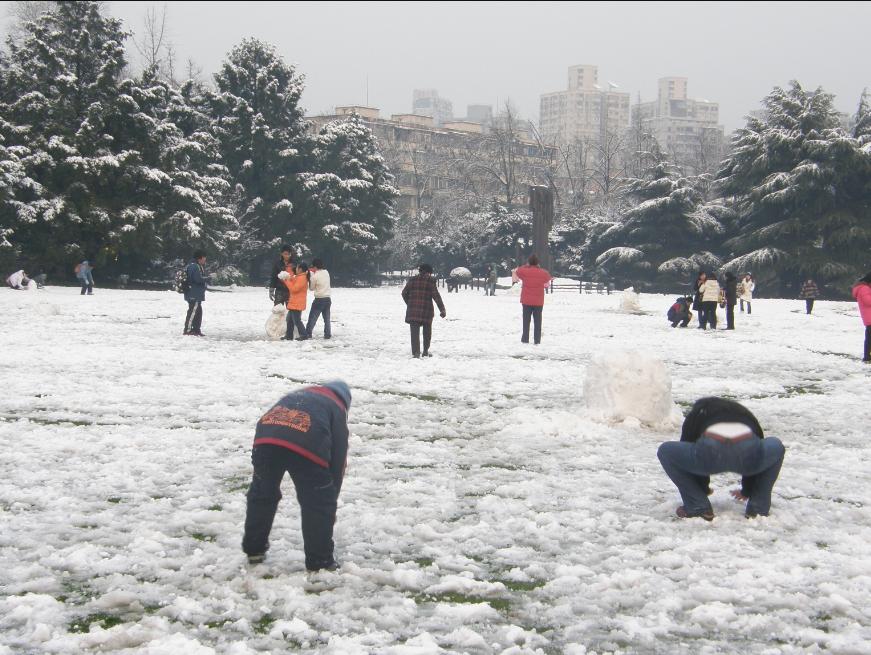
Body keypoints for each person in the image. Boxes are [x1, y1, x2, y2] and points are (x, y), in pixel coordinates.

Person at [242, 381, 351, 571]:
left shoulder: (295, 396)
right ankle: (320, 561)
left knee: (262, 493)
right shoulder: (337, 407)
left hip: (266, 439)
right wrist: (330, 497)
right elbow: (338, 460)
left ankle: (254, 549)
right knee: (317, 501)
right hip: (306, 442)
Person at [657, 397, 785, 520]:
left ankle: (698, 506)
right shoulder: (743, 412)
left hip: (712, 450)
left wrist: (702, 489)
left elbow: (690, 449)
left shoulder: (698, 413)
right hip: (747, 450)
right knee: (775, 445)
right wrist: (747, 489)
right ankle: (758, 508)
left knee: (665, 451)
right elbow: (757, 453)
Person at [401, 263, 446, 358]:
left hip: (413, 311)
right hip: (426, 310)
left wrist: (409, 303)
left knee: (414, 333)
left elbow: (404, 293)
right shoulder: (430, 281)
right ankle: (425, 351)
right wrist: (442, 310)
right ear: (429, 272)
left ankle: (416, 353)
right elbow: (436, 296)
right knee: (427, 332)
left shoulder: (412, 280)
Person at [512, 254, 552, 344]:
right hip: (538, 301)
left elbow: (518, 270)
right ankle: (537, 340)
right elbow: (547, 284)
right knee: (538, 321)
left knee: (526, 321)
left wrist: (526, 266)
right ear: (538, 263)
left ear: (529, 262)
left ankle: (525, 339)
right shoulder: (544, 273)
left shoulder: (524, 271)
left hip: (526, 300)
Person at [280, 263, 310, 341]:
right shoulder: (299, 277)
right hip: (295, 302)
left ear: (300, 269)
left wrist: (286, 281)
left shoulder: (302, 278)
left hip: (297, 303)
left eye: (296, 268)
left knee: (297, 321)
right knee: (289, 320)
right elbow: (293, 282)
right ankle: (289, 335)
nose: (295, 269)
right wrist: (288, 277)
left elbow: (294, 289)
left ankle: (304, 335)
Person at [183, 250, 209, 336]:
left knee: (197, 311)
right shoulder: (195, 267)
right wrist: (208, 278)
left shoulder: (193, 265)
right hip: (194, 293)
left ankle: (196, 329)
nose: (205, 259)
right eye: (204, 257)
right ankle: (188, 330)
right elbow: (197, 279)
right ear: (200, 258)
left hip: (194, 293)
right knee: (193, 311)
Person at [305, 258, 331, 339]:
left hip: (319, 299)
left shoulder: (315, 276)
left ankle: (308, 333)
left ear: (315, 266)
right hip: (328, 298)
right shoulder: (326, 272)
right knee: (327, 319)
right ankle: (327, 334)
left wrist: (309, 277)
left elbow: (311, 288)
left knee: (312, 318)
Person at [851, 271, 871, 363]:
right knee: (869, 339)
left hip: (868, 317)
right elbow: (868, 301)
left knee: (869, 338)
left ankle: (867, 357)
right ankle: (867, 357)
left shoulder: (864, 287)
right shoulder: (864, 288)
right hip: (869, 317)